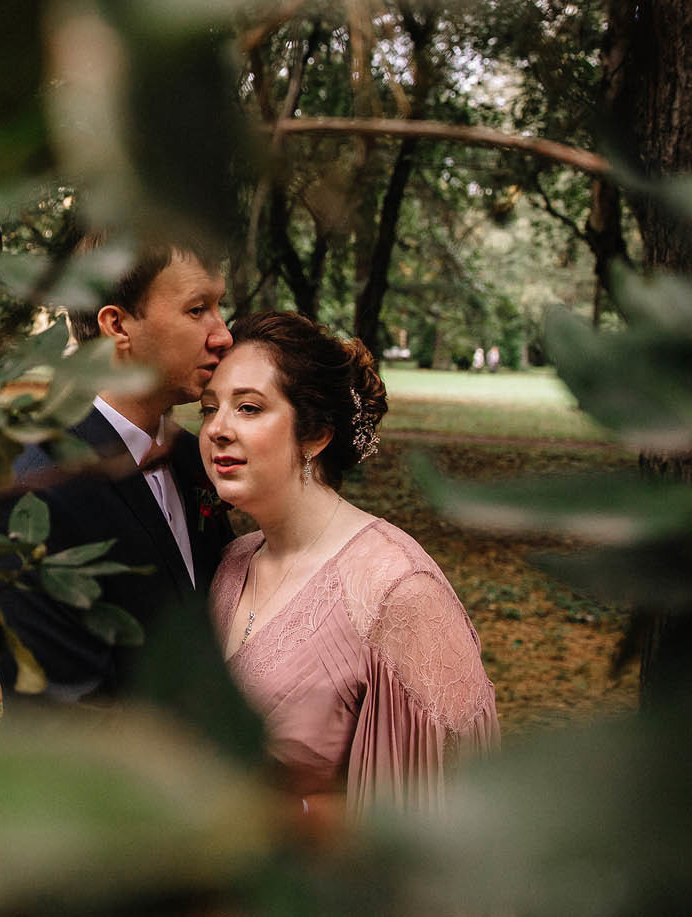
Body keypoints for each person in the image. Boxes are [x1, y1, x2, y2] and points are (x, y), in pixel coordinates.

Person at [199, 311, 498, 819]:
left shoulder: (397, 591)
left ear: (315, 435)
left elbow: (438, 810)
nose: (218, 430)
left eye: (249, 408)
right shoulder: (230, 564)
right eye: (209, 409)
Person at [0, 245, 238, 711]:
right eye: (198, 310)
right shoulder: (38, 491)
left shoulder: (189, 455)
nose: (223, 336)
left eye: (220, 308)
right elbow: (63, 716)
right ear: (117, 326)